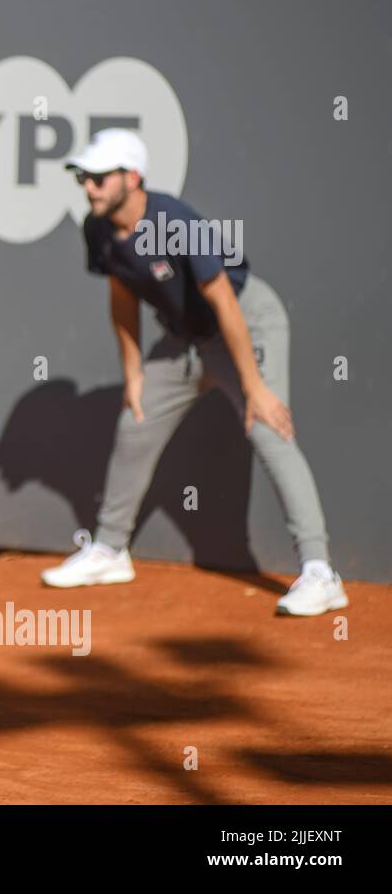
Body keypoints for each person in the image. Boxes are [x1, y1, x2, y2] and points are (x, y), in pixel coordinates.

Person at [41, 129, 347, 617]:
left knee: (269, 427)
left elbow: (225, 300)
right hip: (182, 338)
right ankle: (109, 552)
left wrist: (254, 388)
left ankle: (320, 572)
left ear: (132, 177)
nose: (89, 187)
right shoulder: (97, 228)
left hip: (246, 324)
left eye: (99, 177)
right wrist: (134, 372)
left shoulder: (176, 221)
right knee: (135, 424)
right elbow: (121, 295)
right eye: (84, 177)